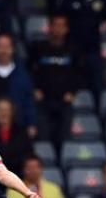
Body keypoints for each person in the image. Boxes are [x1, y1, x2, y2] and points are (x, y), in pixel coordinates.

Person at [56, 0, 106, 101]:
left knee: (96, 84)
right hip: (70, 46)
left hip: (93, 47)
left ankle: (99, 114)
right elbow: (58, 20)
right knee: (68, 83)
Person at [28, 14, 82, 150]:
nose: (58, 29)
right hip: (43, 101)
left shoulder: (73, 49)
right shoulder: (38, 48)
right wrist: (34, 89)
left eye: (61, 26)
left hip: (65, 101)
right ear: (49, 28)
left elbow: (80, 73)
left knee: (64, 141)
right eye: (55, 25)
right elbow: (28, 70)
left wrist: (73, 92)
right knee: (43, 140)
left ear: (66, 29)